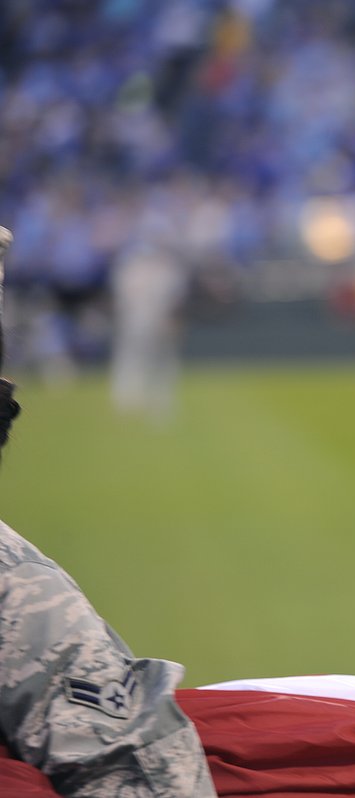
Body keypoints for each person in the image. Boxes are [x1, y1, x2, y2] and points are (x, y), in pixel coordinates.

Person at [0, 226, 217, 796]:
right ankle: (134, 401)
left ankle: (147, 403)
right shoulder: (16, 586)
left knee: (151, 357)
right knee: (137, 354)